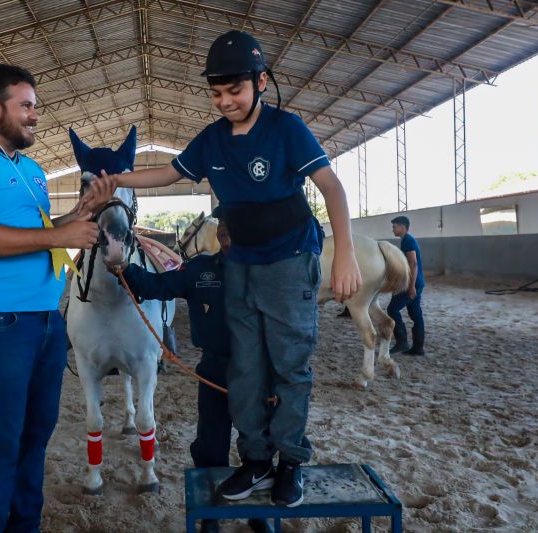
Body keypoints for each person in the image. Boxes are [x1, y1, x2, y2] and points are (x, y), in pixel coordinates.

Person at [96, 30, 361, 508]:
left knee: (289, 365)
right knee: (246, 367)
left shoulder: (287, 128)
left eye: (234, 91)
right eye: (216, 94)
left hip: (288, 258)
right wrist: (115, 179)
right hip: (241, 261)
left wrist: (345, 251)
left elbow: (332, 188)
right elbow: (168, 172)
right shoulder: (213, 140)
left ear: (261, 82)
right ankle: (256, 460)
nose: (225, 102)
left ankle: (290, 463)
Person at [0, 64, 114, 532]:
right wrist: (60, 235)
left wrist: (80, 213)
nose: (35, 116)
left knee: (35, 437)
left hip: (45, 321)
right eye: (25, 106)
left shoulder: (31, 170)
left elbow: (41, 234)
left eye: (35, 106)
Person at [120, 210, 265, 533]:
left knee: (258, 446)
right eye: (223, 227)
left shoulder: (267, 270)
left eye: (233, 225)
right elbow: (158, 285)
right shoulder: (201, 270)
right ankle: (211, 516)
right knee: (210, 445)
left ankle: (260, 514)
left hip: (258, 370)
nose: (227, 232)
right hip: (213, 369)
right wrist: (124, 267)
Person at [387, 215, 425, 355]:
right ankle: (418, 347)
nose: (393, 229)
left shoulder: (408, 241)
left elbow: (413, 263)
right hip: (417, 282)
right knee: (415, 314)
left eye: (394, 226)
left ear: (403, 227)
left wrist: (411, 286)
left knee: (392, 309)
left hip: (412, 283)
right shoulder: (407, 240)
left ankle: (402, 342)